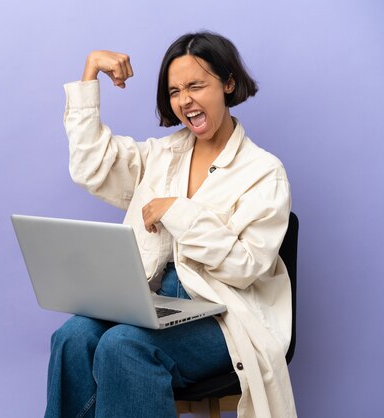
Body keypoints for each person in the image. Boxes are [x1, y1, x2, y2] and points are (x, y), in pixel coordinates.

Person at [46, 31, 297, 418]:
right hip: (156, 301)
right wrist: (89, 75)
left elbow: (246, 267)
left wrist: (177, 212)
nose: (185, 100)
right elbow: (93, 167)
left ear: (228, 83)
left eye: (196, 85)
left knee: (124, 346)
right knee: (72, 337)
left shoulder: (263, 172)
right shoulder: (163, 155)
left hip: (224, 316)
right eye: (176, 90)